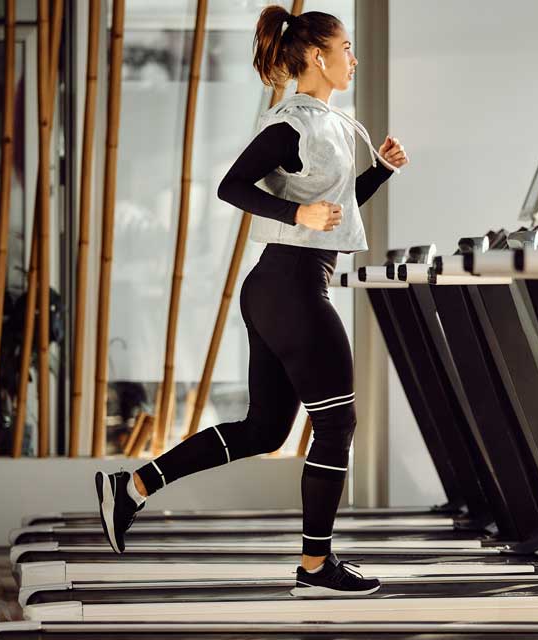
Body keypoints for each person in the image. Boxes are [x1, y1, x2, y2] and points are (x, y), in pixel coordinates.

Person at [94, 5, 408, 598]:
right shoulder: (291, 124)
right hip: (289, 287)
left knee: (265, 429)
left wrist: (379, 173)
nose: (353, 59)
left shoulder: (334, 124)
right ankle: (316, 569)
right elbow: (231, 184)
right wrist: (295, 212)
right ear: (318, 55)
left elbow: (333, 214)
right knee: (336, 423)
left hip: (283, 286)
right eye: (347, 48)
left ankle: (132, 488)